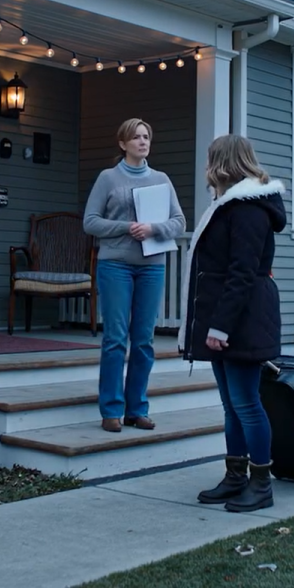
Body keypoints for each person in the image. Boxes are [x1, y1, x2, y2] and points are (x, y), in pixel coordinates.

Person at [178, 134, 286, 512]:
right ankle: (235, 476)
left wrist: (220, 326)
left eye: (210, 159)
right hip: (230, 317)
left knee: (246, 403)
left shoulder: (248, 209)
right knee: (232, 405)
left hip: (245, 318)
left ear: (221, 163)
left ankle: (261, 483)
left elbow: (242, 273)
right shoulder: (229, 206)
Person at [84, 118, 186, 433]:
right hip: (115, 264)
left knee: (143, 340)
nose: (142, 142)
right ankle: (111, 410)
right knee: (115, 337)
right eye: (136, 137)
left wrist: (154, 228)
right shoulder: (108, 178)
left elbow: (179, 222)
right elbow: (90, 222)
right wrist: (125, 228)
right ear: (122, 144)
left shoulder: (161, 179)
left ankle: (137, 408)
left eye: (146, 137)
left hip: (152, 266)